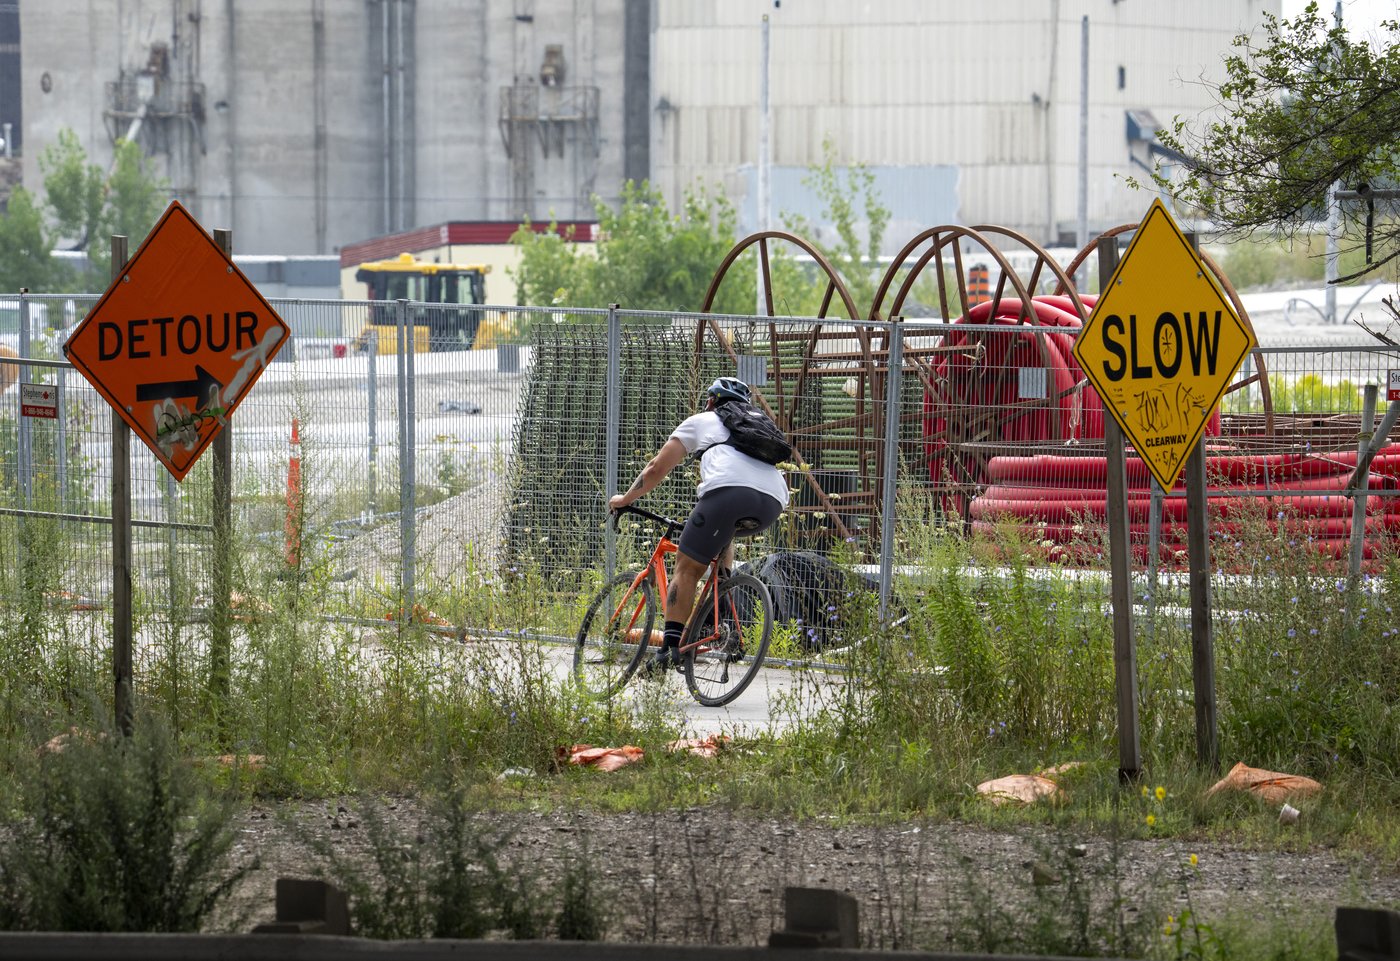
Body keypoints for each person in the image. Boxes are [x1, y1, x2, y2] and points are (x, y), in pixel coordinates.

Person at [608, 376, 789, 673]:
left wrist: (625, 498)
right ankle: (723, 613)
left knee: (686, 567)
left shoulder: (703, 420)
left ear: (711, 401)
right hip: (773, 502)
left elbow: (656, 468)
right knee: (721, 542)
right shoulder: (754, 429)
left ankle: (668, 650)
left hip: (729, 494)